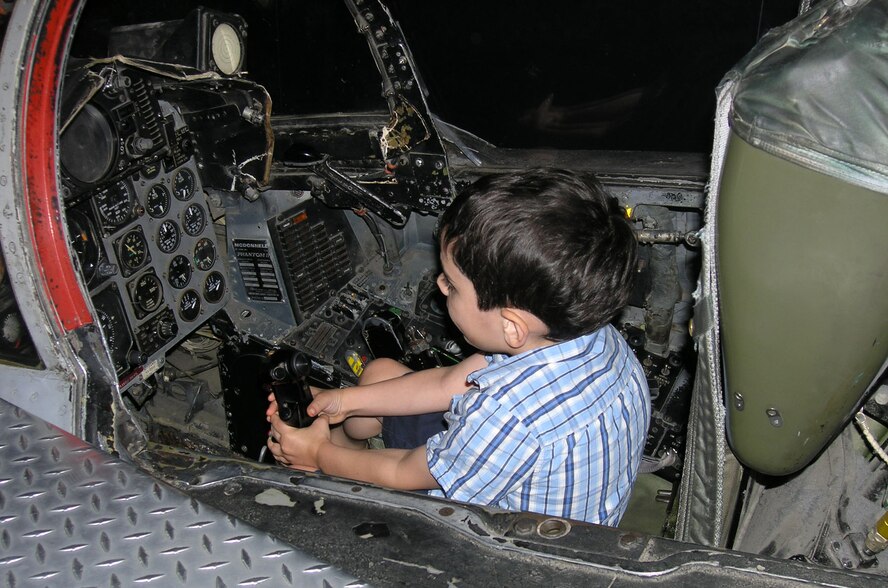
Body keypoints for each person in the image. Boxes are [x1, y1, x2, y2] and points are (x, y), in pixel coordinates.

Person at [266, 168, 650, 525]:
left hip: (502, 550)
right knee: (378, 374)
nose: (439, 285)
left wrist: (317, 457)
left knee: (317, 475)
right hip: (551, 492)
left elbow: (404, 472)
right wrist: (340, 401)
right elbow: (447, 384)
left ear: (512, 327)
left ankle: (334, 470)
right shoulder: (587, 333)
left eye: (451, 284)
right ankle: (344, 452)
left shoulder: (505, 414)